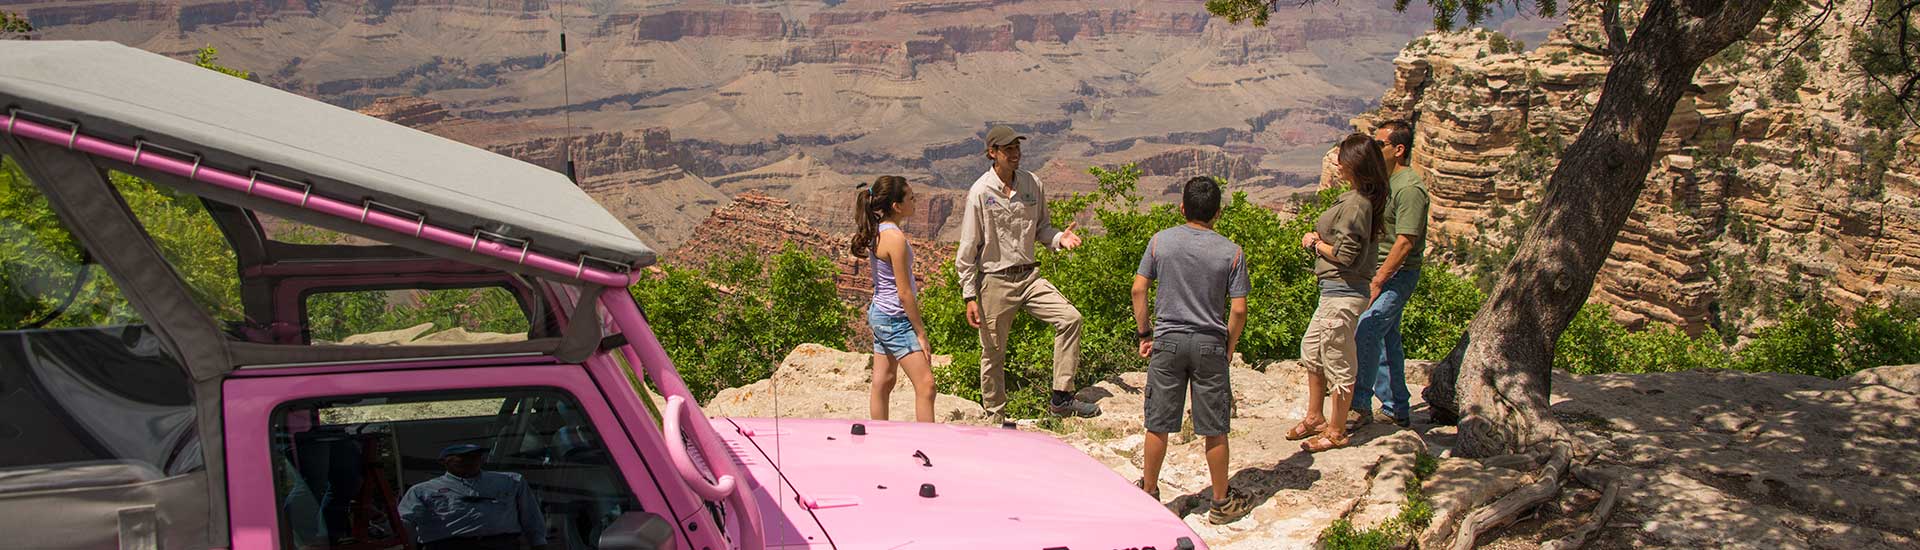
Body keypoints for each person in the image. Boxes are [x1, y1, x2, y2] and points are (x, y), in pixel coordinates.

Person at [1130, 176, 1254, 524]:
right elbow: (1239, 310)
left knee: (1158, 423)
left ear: (1182, 208)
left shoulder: (1160, 242)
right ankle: (1220, 502)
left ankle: (1150, 492)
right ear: (1218, 213)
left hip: (1167, 342)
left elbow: (1139, 290)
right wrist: (1228, 346)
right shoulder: (1232, 251)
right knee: (1214, 427)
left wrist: (1145, 333)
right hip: (1210, 345)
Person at [955, 125, 1100, 421]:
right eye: (1008, 149)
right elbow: (968, 248)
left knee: (1070, 318)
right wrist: (969, 294)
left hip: (1029, 278)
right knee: (993, 354)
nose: (1015, 153)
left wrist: (1060, 238)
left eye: (1017, 148)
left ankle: (1061, 397)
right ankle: (995, 418)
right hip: (994, 281)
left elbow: (1042, 228)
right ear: (992, 153)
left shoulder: (1032, 183)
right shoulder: (980, 193)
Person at [1288, 133, 1389, 453]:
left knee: (1338, 359)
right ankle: (1316, 416)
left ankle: (1336, 430)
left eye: (1341, 158)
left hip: (1343, 292)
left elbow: (1346, 255)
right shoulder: (1356, 199)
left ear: (1354, 165)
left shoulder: (1358, 204)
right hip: (1333, 290)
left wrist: (1315, 243)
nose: (1336, 162)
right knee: (1313, 349)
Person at [1350, 120, 1429, 429]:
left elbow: (1405, 241)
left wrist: (1378, 281)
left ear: (1399, 150)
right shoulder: (1384, 182)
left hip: (1396, 275)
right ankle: (1397, 406)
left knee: (1368, 329)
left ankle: (1359, 405)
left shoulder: (1409, 189)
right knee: (1387, 338)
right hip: (1377, 271)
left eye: (1379, 143)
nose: (1373, 147)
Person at [852, 175, 938, 422]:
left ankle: (879, 437)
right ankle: (927, 446)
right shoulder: (895, 238)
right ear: (896, 206)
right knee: (926, 385)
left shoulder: (878, 230)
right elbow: (904, 292)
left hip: (879, 312)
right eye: (910, 197)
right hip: (894, 318)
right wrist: (920, 333)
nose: (915, 201)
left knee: (883, 380)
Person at [397, 444, 549, 550]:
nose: (472, 460)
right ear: (444, 461)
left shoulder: (511, 481)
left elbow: (531, 516)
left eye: (476, 456)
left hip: (502, 545)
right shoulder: (422, 490)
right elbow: (404, 523)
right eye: (463, 457)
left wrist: (539, 543)